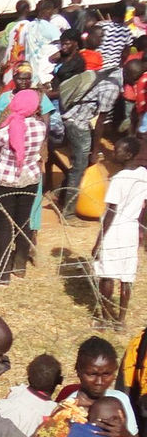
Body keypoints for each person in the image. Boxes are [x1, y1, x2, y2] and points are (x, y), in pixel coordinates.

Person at [0, 90, 46, 284]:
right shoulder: (40, 127)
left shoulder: (6, 129)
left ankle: (2, 275)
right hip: (29, 178)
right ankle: (20, 266)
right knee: (23, 223)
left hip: (4, 180)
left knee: (4, 226)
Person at [92, 137, 147, 330]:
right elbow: (144, 207)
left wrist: (98, 242)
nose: (114, 153)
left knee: (107, 275)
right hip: (131, 229)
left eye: (118, 151)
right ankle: (120, 320)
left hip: (115, 230)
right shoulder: (143, 175)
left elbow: (111, 213)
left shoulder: (118, 179)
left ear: (129, 154)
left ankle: (105, 318)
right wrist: (142, 231)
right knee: (126, 276)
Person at [61, 61, 121, 218]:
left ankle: (62, 196)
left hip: (74, 119)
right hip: (79, 124)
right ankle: (68, 212)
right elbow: (101, 121)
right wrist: (95, 151)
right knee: (79, 167)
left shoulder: (113, 72)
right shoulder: (113, 87)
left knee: (78, 163)